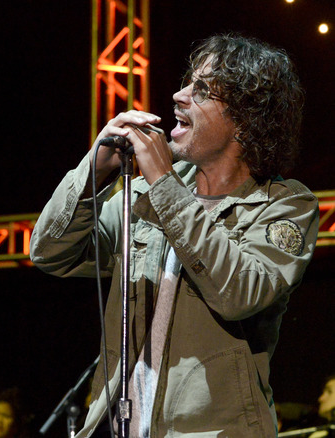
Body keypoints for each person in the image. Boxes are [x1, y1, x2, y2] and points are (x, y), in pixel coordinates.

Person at [30, 33, 319, 437]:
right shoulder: (143, 194)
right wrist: (92, 171)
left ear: (246, 118)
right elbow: (49, 253)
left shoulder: (286, 205)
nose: (179, 95)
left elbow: (239, 293)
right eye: (187, 82)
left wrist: (165, 184)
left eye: (201, 90)